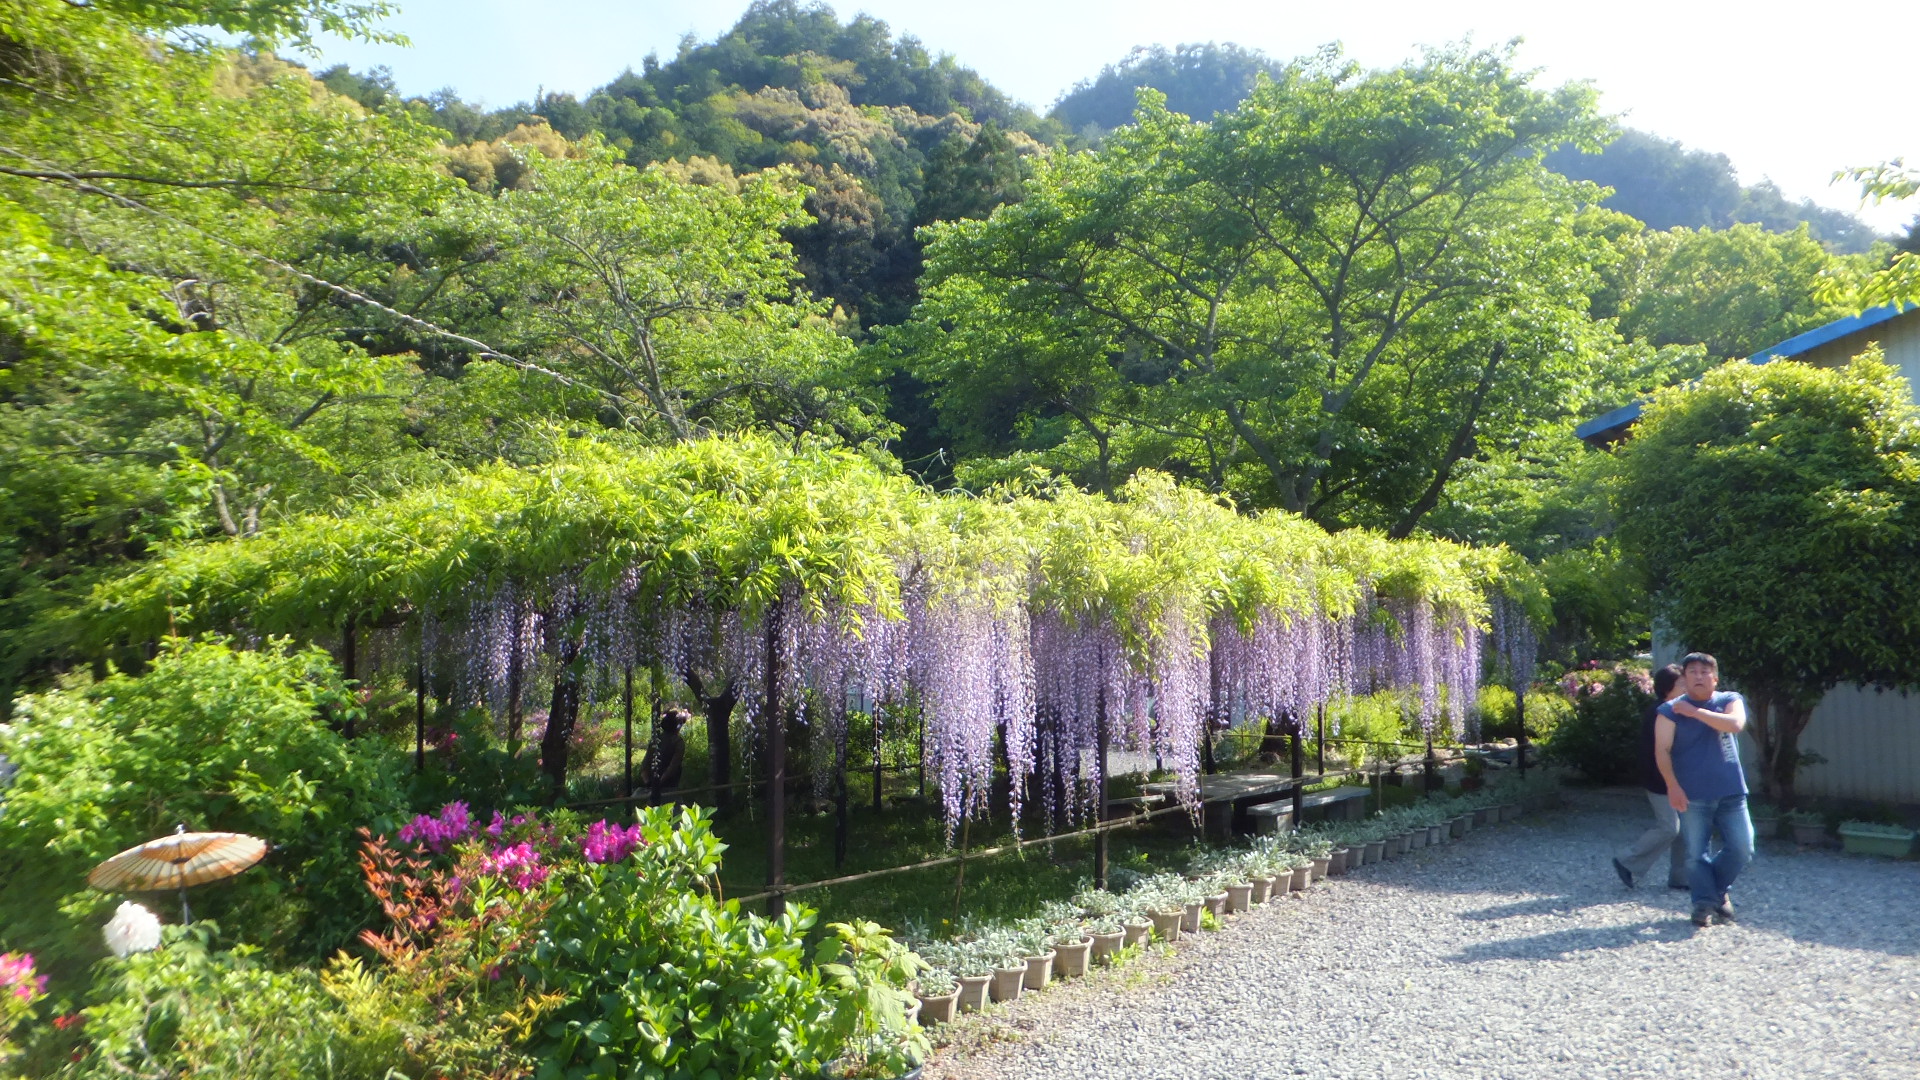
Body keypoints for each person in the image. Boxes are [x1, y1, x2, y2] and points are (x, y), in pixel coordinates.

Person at [1653, 652, 1755, 928]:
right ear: (1684, 678)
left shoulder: (1728, 700)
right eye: (1692, 672)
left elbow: (1735, 724)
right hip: (1692, 794)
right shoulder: (1669, 711)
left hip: (1731, 792)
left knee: (1742, 848)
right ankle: (1703, 904)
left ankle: (1715, 893)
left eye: (1704, 671)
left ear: (1715, 677)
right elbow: (1661, 751)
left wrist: (1696, 712)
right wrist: (1672, 786)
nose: (1699, 677)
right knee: (1695, 854)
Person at [1612, 664, 1688, 890]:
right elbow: (1657, 752)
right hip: (1659, 780)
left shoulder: (1679, 709)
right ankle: (1627, 860)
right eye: (1681, 684)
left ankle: (1681, 877)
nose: (1687, 687)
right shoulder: (1660, 712)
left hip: (1678, 779)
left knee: (1685, 830)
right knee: (1669, 828)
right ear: (1668, 689)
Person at [640, 707, 688, 804]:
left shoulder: (656, 739)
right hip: (669, 785)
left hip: (653, 783)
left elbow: (645, 765)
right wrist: (659, 782)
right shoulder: (678, 742)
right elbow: (673, 766)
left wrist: (648, 782)